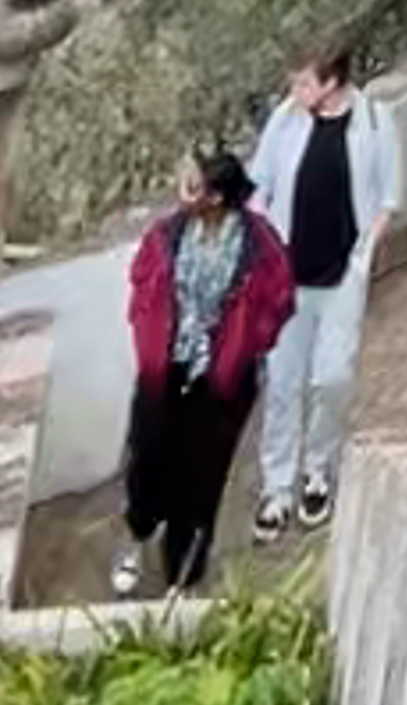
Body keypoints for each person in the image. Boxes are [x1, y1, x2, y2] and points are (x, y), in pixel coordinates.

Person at [112, 141, 293, 599]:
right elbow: (141, 283)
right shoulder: (165, 236)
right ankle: (137, 534)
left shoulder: (259, 244)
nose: (181, 191)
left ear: (214, 197)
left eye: (192, 185)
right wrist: (148, 330)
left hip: (223, 381)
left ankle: (183, 575)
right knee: (149, 459)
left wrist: (248, 341)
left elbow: (280, 298)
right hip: (164, 369)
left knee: (202, 478)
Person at [245, 39, 400, 536]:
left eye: (305, 82)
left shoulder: (375, 122)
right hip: (286, 277)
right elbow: (258, 186)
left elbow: (389, 198)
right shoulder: (285, 121)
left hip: (340, 278)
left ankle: (318, 470)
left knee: (331, 379)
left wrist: (363, 256)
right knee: (283, 384)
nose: (295, 90)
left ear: (332, 84)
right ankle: (275, 487)